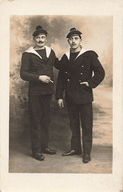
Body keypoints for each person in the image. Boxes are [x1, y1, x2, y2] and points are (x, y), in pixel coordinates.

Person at [56, 28, 105, 163]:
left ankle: (86, 153)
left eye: (76, 38)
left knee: (87, 125)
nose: (73, 41)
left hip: (84, 96)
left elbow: (100, 72)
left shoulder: (89, 55)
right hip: (70, 96)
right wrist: (59, 96)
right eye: (71, 39)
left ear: (80, 40)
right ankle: (75, 148)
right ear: (68, 41)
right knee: (73, 124)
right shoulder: (66, 57)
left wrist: (90, 83)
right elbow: (61, 78)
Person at [20, 25, 61, 161]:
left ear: (46, 38)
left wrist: (74, 65)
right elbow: (23, 74)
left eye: (43, 37)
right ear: (34, 39)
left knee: (45, 120)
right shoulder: (28, 54)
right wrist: (39, 77)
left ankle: (44, 147)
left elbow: (59, 65)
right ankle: (36, 151)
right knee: (36, 120)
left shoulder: (51, 52)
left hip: (48, 92)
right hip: (35, 93)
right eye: (38, 37)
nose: (40, 40)